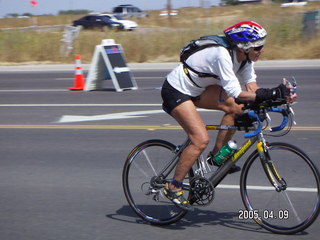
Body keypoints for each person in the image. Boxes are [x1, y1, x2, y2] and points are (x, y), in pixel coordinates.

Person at [161, 21, 297, 211]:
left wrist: (279, 98)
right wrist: (271, 93)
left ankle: (217, 155)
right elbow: (236, 92)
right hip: (176, 90)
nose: (262, 50)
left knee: (237, 109)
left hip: (200, 89)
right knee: (200, 139)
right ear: (244, 46)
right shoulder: (222, 55)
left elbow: (252, 89)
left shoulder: (245, 60)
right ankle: (173, 186)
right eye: (258, 46)